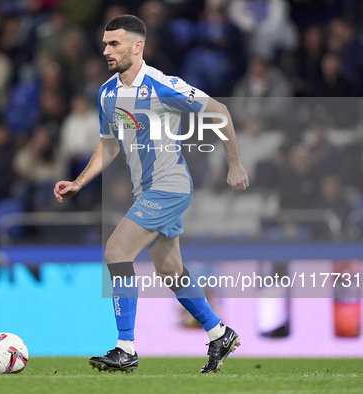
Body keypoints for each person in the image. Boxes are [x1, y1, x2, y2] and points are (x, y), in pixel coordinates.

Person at [53, 15, 249, 374]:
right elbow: (109, 146)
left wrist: (234, 164)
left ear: (137, 46)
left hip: (169, 186)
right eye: (105, 43)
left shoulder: (162, 85)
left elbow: (219, 112)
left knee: (116, 251)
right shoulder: (107, 93)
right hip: (147, 191)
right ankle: (219, 332)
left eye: (114, 44)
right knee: (170, 270)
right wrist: (80, 181)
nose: (105, 50)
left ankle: (125, 348)